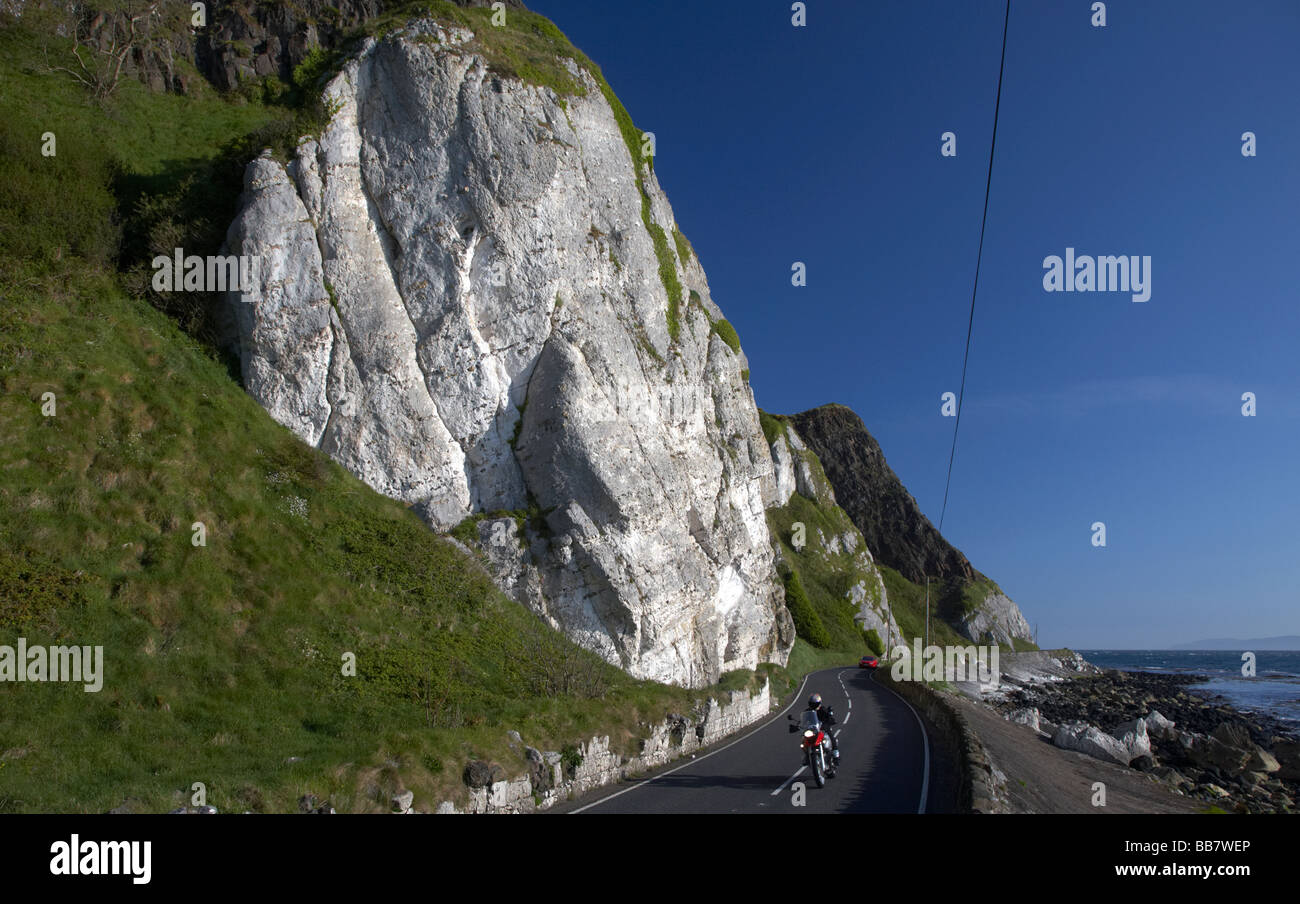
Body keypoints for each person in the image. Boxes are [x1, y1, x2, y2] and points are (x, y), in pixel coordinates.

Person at [806, 693, 840, 761]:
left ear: (819, 703)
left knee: (830, 734)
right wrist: (798, 725)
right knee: (804, 740)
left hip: (823, 728)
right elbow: (803, 720)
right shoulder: (807, 711)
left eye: (815, 704)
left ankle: (835, 752)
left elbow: (829, 716)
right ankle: (807, 756)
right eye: (812, 704)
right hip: (813, 730)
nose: (813, 706)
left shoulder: (823, 710)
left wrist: (830, 720)